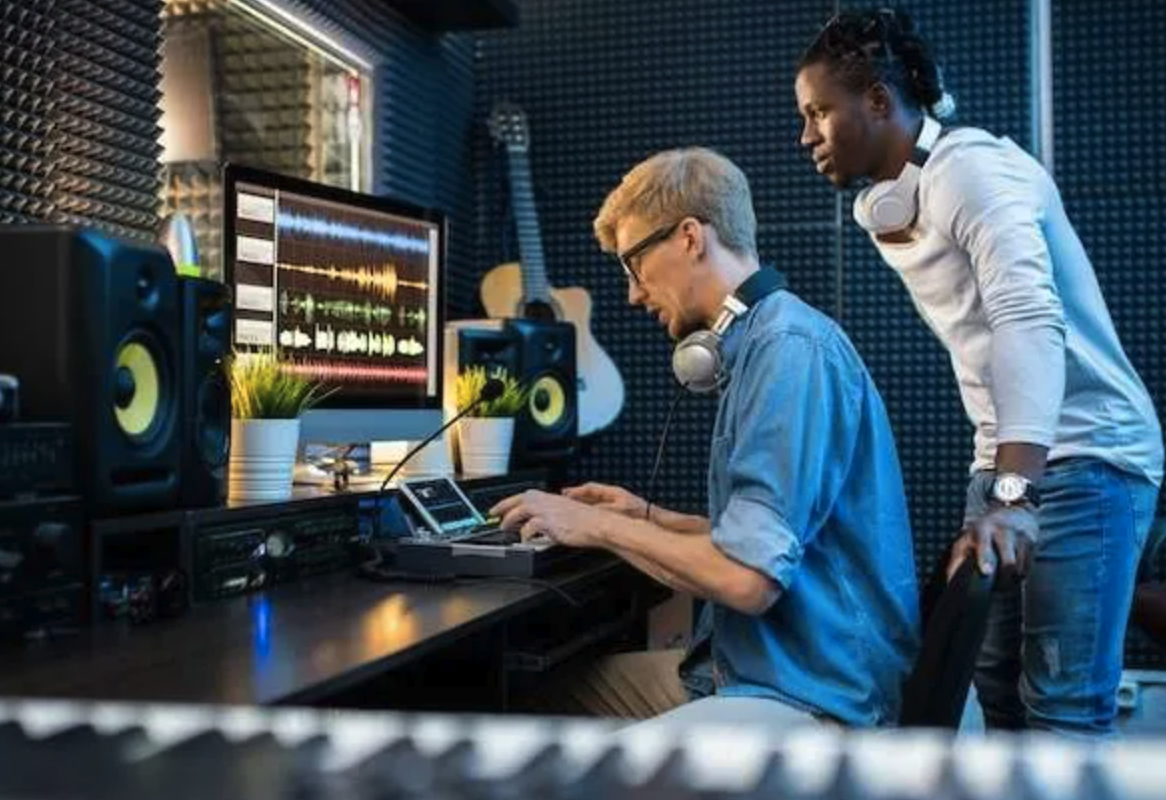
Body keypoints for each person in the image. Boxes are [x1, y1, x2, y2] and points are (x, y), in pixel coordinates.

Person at [794, 8, 1163, 736]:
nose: (806, 136)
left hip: (1085, 459)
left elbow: (1028, 322)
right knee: (992, 694)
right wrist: (1000, 484)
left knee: (1063, 709)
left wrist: (1015, 495)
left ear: (876, 100)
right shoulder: (899, 200)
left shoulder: (971, 171)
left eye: (817, 113)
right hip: (1005, 463)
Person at [492, 147, 920, 730]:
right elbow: (783, 537)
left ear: (690, 237)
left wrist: (595, 526)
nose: (633, 293)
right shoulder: (758, 345)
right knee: (531, 700)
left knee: (553, 755)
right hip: (754, 671)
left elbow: (747, 579)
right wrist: (648, 518)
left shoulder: (788, 353)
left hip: (816, 697)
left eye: (634, 264)